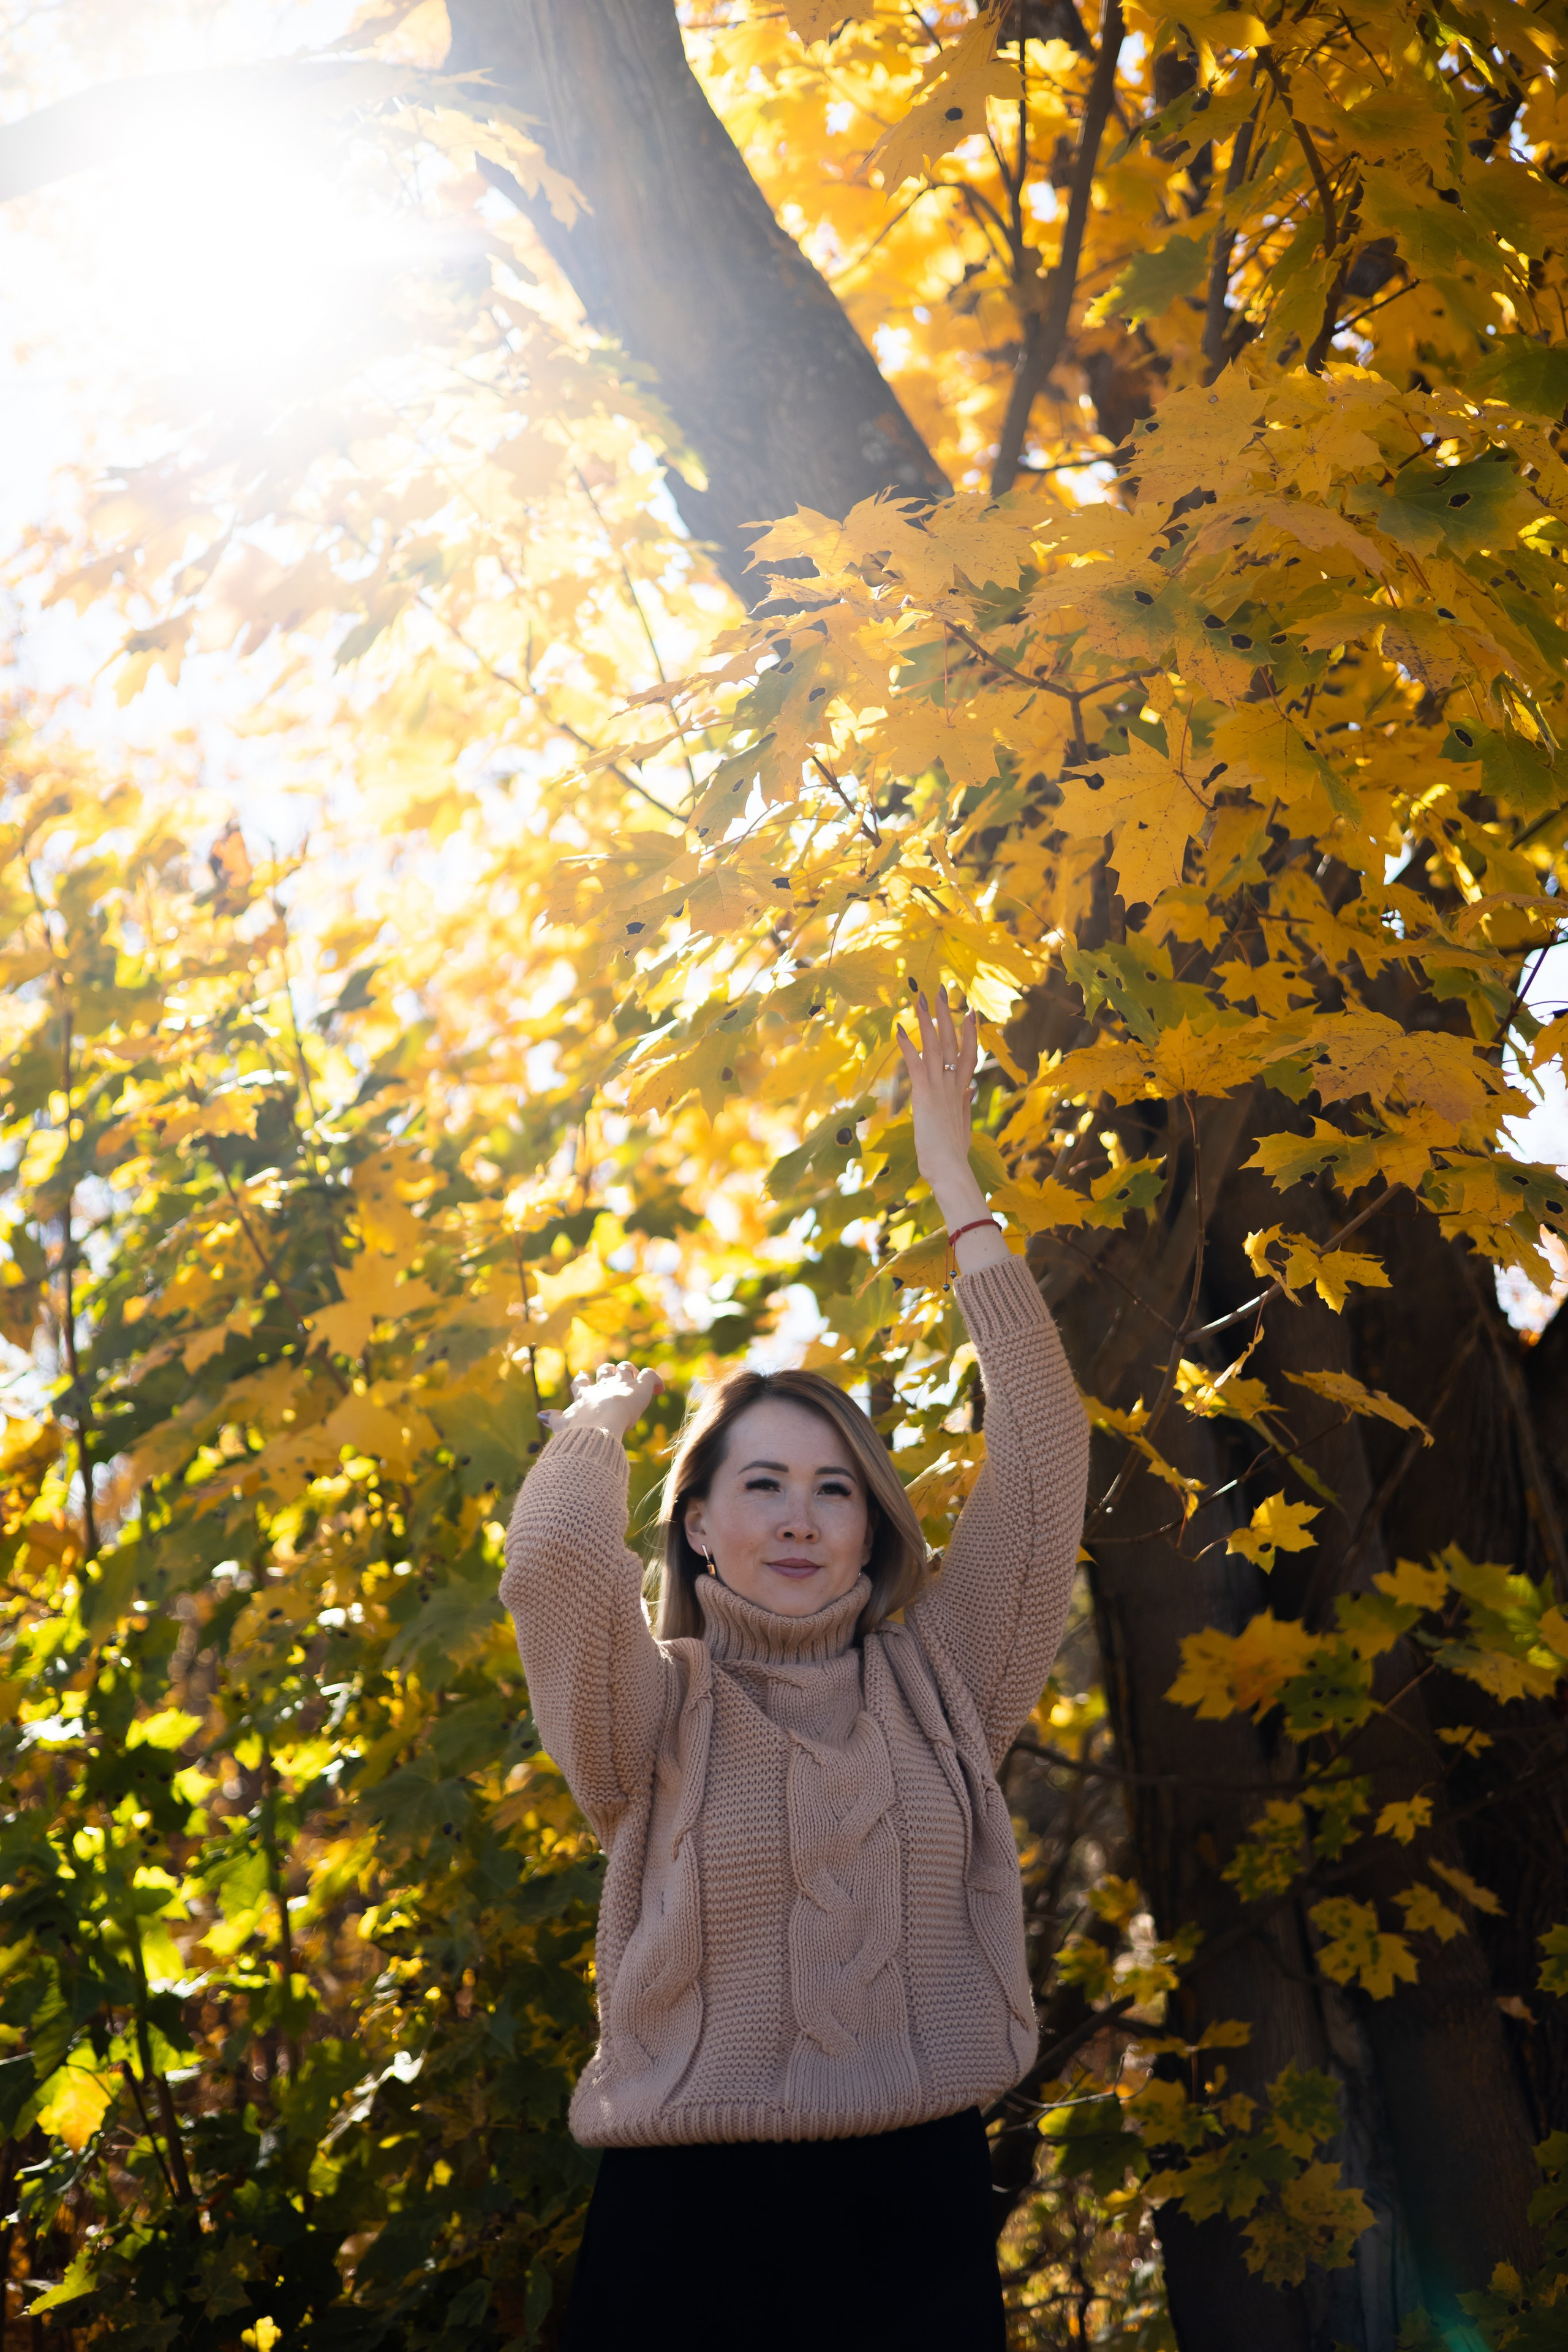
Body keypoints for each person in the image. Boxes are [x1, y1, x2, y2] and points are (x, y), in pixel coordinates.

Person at [500, 995, 1090, 2351]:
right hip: (684, 2229)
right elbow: (548, 1569)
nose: (798, 1518)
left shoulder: (940, 1682)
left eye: (834, 1489)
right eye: (759, 1484)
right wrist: (600, 1422)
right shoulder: (651, 1712)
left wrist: (956, 1187)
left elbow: (1045, 1456)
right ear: (699, 1521)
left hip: (915, 2212)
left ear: (871, 1523)